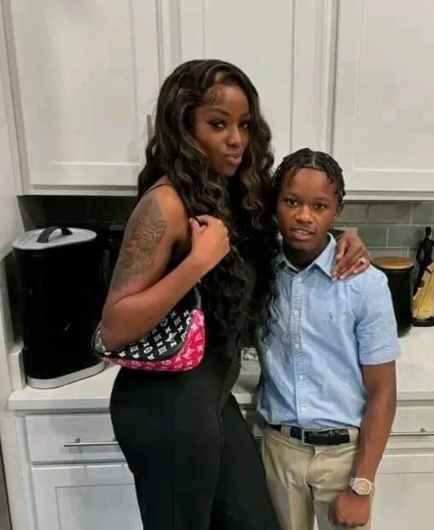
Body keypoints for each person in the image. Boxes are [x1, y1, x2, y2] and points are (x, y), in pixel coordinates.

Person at [99, 60, 369, 530]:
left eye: (244, 125)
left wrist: (342, 239)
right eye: (218, 124)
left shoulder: (229, 191)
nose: (236, 139)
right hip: (164, 407)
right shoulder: (166, 203)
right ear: (184, 127)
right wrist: (197, 263)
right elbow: (114, 326)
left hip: (211, 399)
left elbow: (294, 223)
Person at [258, 148, 401, 530]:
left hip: (343, 458)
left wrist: (361, 485)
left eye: (319, 206)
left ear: (337, 210)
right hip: (279, 451)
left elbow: (383, 392)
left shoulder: (365, 285)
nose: (304, 216)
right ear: (275, 204)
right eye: (292, 202)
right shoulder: (260, 273)